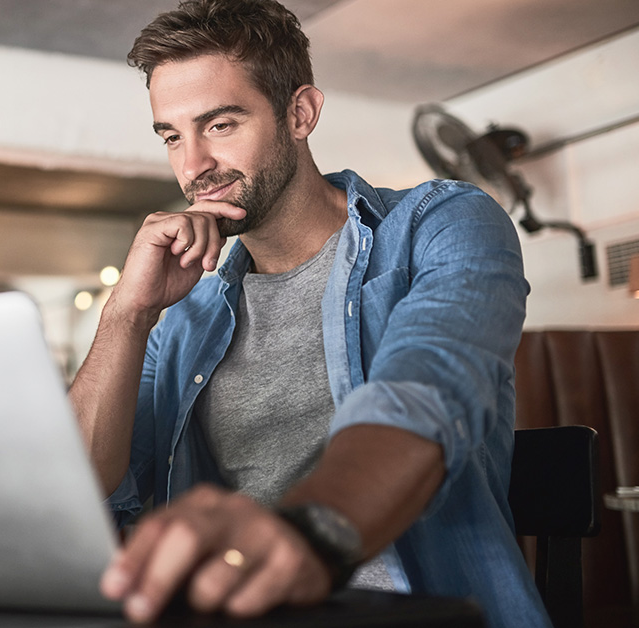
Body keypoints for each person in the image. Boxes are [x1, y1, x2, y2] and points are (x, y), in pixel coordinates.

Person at [66, 1, 551, 627]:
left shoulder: (442, 224)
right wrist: (127, 314)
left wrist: (307, 538)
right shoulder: (184, 313)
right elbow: (84, 495)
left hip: (419, 610)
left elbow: (426, 392)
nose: (192, 167)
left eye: (219, 125)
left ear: (300, 113)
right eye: (171, 136)